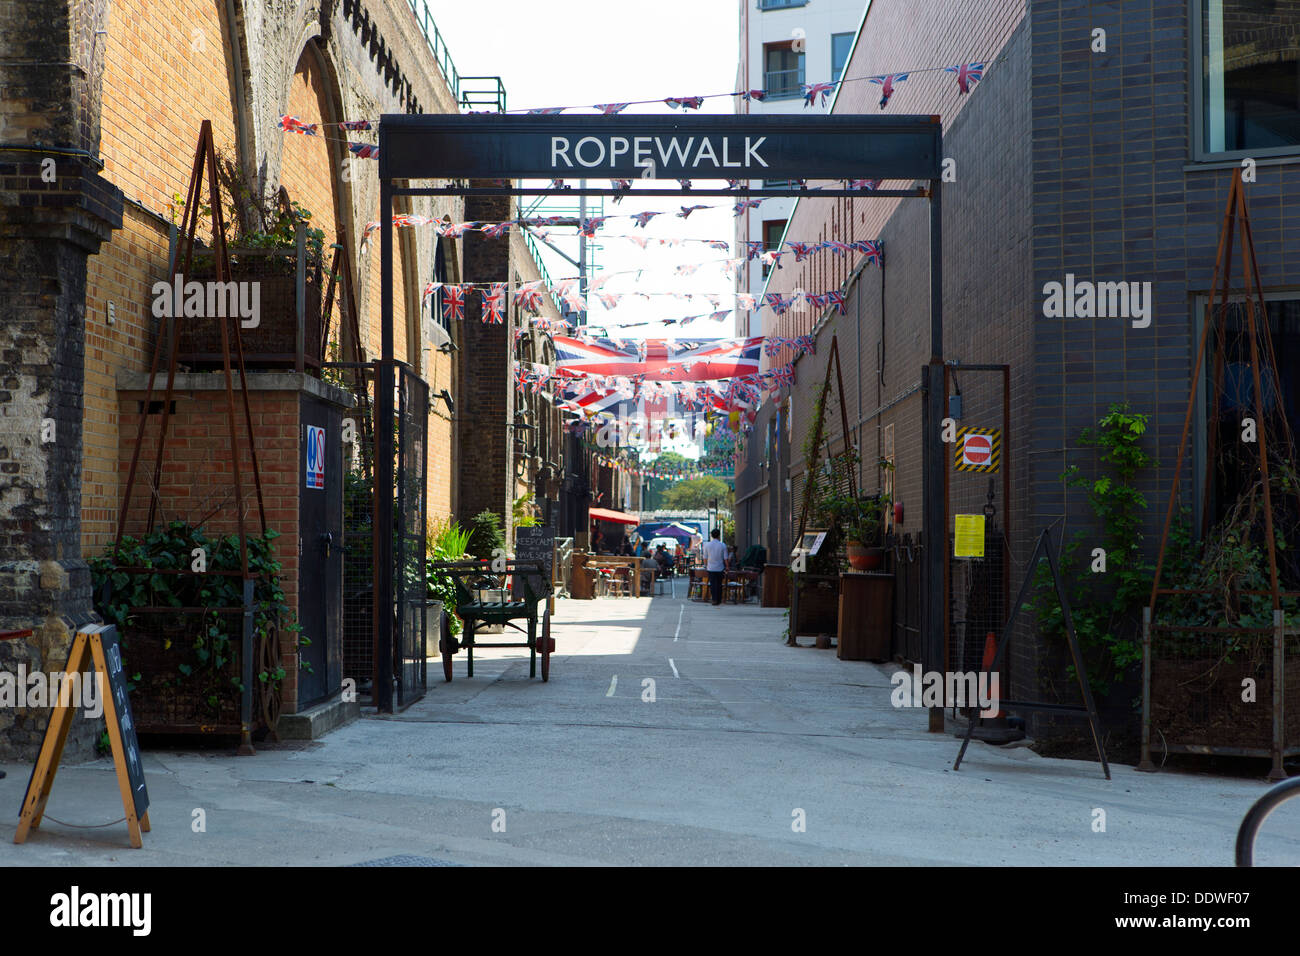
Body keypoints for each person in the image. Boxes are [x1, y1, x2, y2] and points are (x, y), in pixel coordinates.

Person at [702, 528, 729, 606]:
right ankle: (718, 599)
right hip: (720, 568)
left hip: (710, 568)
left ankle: (714, 599)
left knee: (713, 584)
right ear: (719, 535)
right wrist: (727, 566)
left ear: (711, 535)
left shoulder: (707, 545)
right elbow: (725, 558)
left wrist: (706, 566)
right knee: (719, 584)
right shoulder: (722, 545)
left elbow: (705, 557)